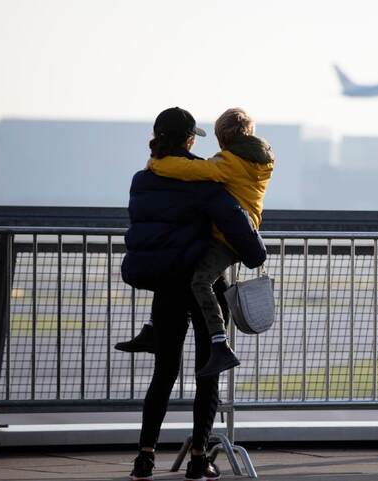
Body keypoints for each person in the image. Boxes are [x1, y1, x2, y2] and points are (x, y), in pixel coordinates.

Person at [121, 107, 266, 481]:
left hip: (166, 287)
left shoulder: (143, 178)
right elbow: (233, 219)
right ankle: (199, 461)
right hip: (203, 286)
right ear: (189, 140)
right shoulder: (203, 179)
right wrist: (255, 254)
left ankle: (144, 459)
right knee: (208, 373)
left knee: (164, 373)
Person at [142, 107, 275, 378]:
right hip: (239, 231)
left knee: (199, 281)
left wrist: (158, 164)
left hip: (228, 236)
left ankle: (220, 344)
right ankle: (153, 330)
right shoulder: (258, 159)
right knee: (180, 261)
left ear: (223, 137)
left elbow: (192, 169)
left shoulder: (231, 162)